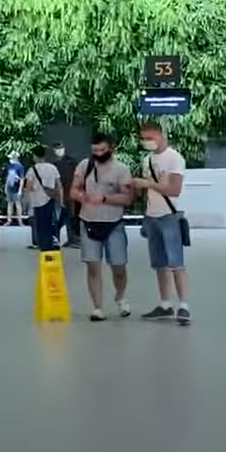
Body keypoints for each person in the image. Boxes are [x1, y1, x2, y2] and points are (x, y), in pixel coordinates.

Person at [130, 121, 190, 325]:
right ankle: (165, 304)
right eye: (143, 138)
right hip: (152, 216)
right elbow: (149, 191)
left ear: (161, 135)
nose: (147, 142)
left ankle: (183, 306)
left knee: (176, 263)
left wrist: (148, 184)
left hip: (169, 215)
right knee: (159, 264)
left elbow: (175, 190)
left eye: (150, 137)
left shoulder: (174, 158)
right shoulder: (147, 160)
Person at [71, 132, 133, 321]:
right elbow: (73, 190)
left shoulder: (121, 169)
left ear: (110, 148)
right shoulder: (84, 166)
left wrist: (105, 198)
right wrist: (82, 197)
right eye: (95, 151)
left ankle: (120, 297)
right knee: (93, 266)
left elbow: (127, 199)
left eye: (102, 150)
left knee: (119, 266)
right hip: (88, 222)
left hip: (114, 224)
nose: (98, 154)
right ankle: (97, 307)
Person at [22, 146, 63, 252]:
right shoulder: (52, 168)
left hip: (37, 201)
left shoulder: (32, 170)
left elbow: (28, 187)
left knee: (40, 224)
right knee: (50, 222)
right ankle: (51, 242)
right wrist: (61, 199)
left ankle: (43, 245)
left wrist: (26, 200)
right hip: (51, 199)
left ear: (35, 156)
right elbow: (59, 185)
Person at [51, 143, 81, 247]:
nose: (59, 151)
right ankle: (71, 238)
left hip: (70, 193)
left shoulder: (71, 162)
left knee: (70, 217)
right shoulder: (56, 165)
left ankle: (74, 239)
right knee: (66, 217)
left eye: (60, 148)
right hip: (63, 194)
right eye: (57, 149)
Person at [2, 151, 24, 226]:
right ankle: (9, 220)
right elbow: (7, 178)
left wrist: (20, 190)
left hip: (16, 188)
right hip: (9, 188)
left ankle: (20, 221)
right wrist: (5, 187)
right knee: (10, 204)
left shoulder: (20, 166)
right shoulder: (9, 166)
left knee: (18, 204)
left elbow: (22, 179)